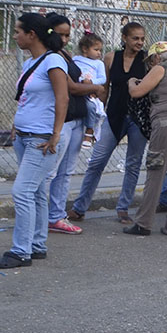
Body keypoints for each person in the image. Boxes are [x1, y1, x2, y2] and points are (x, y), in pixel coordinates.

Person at [0, 14, 68, 269]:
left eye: (17, 31)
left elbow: (62, 99)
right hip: (24, 136)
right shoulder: (30, 63)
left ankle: (20, 251)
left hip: (42, 138)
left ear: (32, 34)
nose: (15, 36)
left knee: (22, 191)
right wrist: (16, 123)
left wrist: (55, 135)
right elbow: (26, 97)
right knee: (35, 192)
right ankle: (37, 245)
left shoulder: (54, 61)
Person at [69, 22, 148, 225]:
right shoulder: (111, 58)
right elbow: (103, 89)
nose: (139, 42)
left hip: (138, 119)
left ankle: (123, 208)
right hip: (114, 116)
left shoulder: (148, 60)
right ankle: (79, 208)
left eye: (142, 38)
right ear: (124, 38)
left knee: (133, 164)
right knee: (96, 162)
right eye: (135, 38)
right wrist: (97, 115)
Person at [122, 43, 167, 237]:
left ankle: (143, 223)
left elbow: (137, 92)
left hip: (166, 126)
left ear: (156, 57)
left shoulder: (162, 68)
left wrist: (132, 82)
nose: (150, 64)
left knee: (155, 174)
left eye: (150, 60)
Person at [44, 15, 101, 236]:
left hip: (77, 119)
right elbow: (72, 88)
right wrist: (95, 88)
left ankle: (56, 216)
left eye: (68, 34)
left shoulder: (66, 55)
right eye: (60, 34)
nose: (65, 39)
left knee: (65, 172)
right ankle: (42, 215)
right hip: (63, 122)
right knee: (51, 171)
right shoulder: (51, 57)